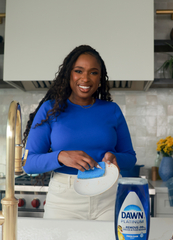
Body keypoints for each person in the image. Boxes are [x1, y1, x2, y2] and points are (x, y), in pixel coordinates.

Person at [22, 45, 136, 220]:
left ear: (100, 78)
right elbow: (29, 163)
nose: (85, 79)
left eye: (93, 72)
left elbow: (130, 157)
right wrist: (60, 156)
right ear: (69, 74)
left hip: (109, 197)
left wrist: (115, 158)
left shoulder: (112, 110)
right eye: (79, 71)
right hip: (64, 201)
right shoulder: (50, 110)